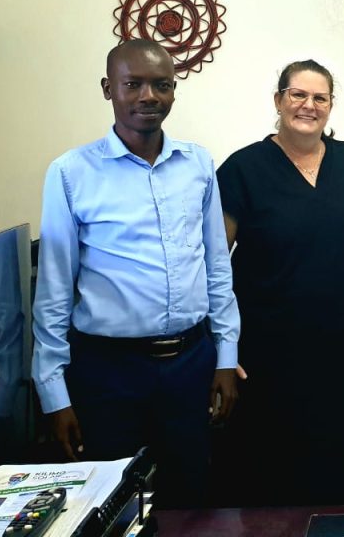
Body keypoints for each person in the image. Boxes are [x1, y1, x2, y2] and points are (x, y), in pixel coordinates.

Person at [32, 39, 240, 509]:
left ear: (173, 91)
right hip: (108, 370)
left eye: (161, 85)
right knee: (114, 503)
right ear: (109, 89)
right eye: (134, 85)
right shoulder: (71, 172)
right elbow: (54, 291)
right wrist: (54, 394)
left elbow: (216, 267)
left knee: (191, 498)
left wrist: (225, 357)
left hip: (190, 363)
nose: (149, 96)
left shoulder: (198, 164)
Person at [213, 59, 344, 506]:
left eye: (319, 98)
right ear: (279, 100)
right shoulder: (243, 169)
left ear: (330, 106)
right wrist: (220, 345)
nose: (308, 105)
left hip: (343, 345)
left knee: (343, 460)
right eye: (298, 95)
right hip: (267, 349)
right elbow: (214, 264)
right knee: (270, 468)